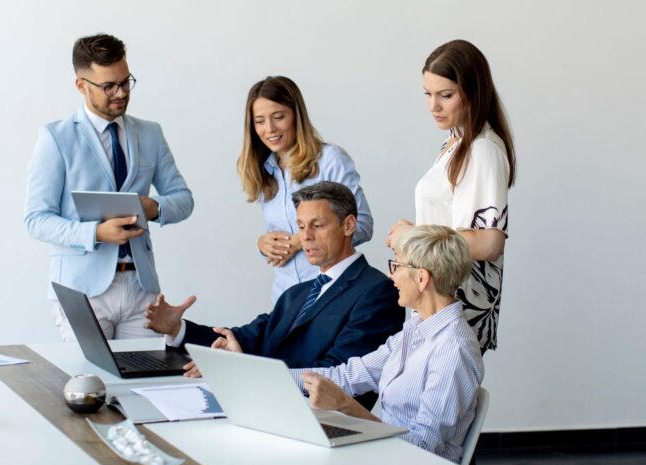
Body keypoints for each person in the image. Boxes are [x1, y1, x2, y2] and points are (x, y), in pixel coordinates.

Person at [146, 182, 402, 408]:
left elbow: (339, 375)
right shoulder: (297, 293)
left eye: (317, 225)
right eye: (301, 226)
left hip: (322, 419)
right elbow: (244, 338)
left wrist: (245, 367)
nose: (306, 237)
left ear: (348, 225)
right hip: (267, 404)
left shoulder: (378, 291)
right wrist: (177, 328)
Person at [25, 34, 193, 341]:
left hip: (142, 289)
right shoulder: (56, 138)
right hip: (82, 291)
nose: (120, 93)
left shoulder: (150, 134)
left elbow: (183, 199)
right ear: (81, 85)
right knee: (93, 384)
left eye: (125, 82)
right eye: (108, 87)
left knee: (147, 384)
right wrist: (95, 233)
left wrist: (154, 208)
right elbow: (36, 219)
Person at [293, 225, 483, 464]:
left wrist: (345, 406)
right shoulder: (413, 331)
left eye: (397, 265)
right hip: (382, 455)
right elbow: (347, 376)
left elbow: (424, 450)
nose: (391, 275)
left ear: (421, 278)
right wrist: (276, 378)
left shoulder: (453, 350)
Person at [388, 39, 516, 354]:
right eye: (428, 94)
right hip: (435, 301)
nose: (434, 106)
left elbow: (489, 242)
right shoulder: (456, 143)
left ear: (473, 92)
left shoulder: (482, 149)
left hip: (457, 310)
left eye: (446, 95)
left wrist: (414, 236)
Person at [237, 76, 374, 303]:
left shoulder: (330, 160)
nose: (269, 129)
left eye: (278, 117)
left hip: (332, 297)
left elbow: (363, 225)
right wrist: (263, 244)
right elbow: (279, 234)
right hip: (286, 301)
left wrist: (301, 241)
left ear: (296, 116)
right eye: (259, 121)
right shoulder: (262, 171)